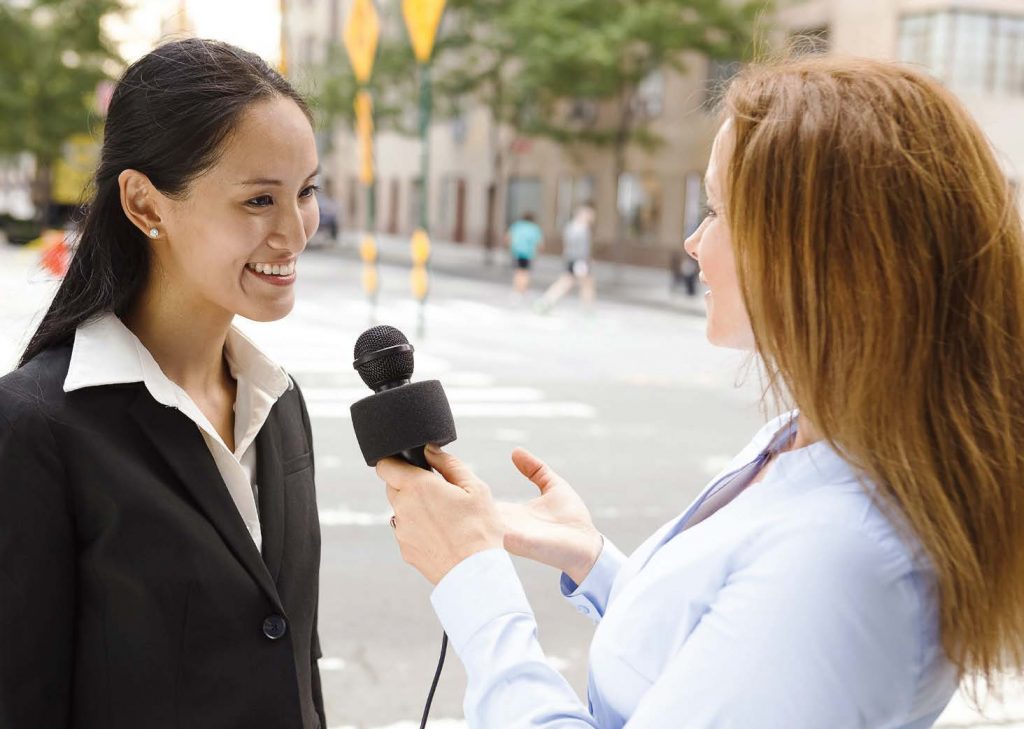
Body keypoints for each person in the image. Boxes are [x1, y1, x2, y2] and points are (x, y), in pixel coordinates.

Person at [374, 56, 1024, 728]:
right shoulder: (821, 434)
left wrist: (474, 584)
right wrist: (590, 558)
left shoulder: (844, 565)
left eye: (716, 210)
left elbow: (776, 628)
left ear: (818, 255)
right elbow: (726, 657)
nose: (691, 241)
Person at [0, 39, 327, 729]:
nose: (294, 232)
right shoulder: (34, 428)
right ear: (145, 204)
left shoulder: (280, 403)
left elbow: (296, 669)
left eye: (306, 192)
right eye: (259, 199)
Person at [536, 203, 596, 313]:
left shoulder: (570, 227)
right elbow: (582, 248)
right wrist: (586, 259)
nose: (592, 218)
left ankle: (546, 301)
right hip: (580, 261)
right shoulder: (581, 229)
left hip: (571, 259)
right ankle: (587, 308)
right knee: (586, 283)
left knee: (567, 282)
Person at [506, 211, 544, 298]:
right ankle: (522, 290)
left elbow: (508, 237)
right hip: (529, 254)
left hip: (517, 252)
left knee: (518, 271)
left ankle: (516, 290)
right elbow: (540, 243)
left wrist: (511, 247)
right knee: (525, 273)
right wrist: (537, 252)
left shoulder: (517, 225)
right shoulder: (535, 228)